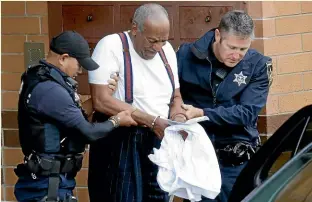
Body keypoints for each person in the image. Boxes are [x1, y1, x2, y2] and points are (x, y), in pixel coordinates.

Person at [14, 30, 137, 202]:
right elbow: (88, 132)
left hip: (50, 181)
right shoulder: (50, 89)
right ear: (63, 58)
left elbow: (72, 115)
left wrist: (102, 96)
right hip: (48, 185)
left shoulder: (42, 78)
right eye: (79, 64)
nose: (80, 70)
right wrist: (117, 120)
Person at [87, 3, 186, 202]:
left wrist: (179, 119)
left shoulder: (167, 51)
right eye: (152, 40)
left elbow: (175, 97)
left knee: (159, 197)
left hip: (159, 136)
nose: (158, 47)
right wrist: (150, 120)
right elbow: (101, 101)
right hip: (122, 138)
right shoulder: (111, 46)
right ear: (135, 29)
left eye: (163, 41)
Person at [177, 10, 273, 202]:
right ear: (218, 35)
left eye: (243, 49)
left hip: (237, 159)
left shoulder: (259, 65)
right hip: (198, 157)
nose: (236, 55)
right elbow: (168, 92)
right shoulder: (185, 55)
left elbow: (247, 113)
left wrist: (203, 113)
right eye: (232, 47)